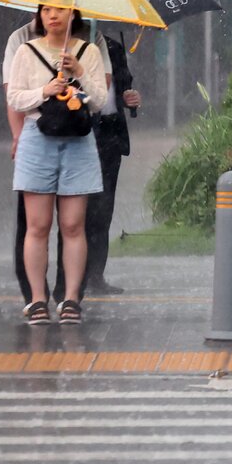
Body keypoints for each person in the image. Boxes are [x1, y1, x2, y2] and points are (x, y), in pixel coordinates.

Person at [6, 0, 110, 325]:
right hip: (37, 138)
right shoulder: (26, 51)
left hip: (78, 141)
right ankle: (37, 300)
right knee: (37, 225)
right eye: (46, 9)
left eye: (61, 9)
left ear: (73, 15)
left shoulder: (88, 51)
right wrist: (44, 91)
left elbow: (99, 102)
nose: (53, 15)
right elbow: (16, 97)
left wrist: (79, 71)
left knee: (72, 224)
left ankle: (70, 299)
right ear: (39, 15)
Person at [86, 33, 141, 294]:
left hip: (110, 136)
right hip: (82, 134)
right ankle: (75, 276)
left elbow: (122, 88)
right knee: (80, 211)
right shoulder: (70, 46)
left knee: (103, 210)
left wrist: (129, 100)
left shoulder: (113, 47)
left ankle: (96, 275)